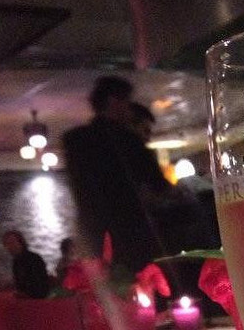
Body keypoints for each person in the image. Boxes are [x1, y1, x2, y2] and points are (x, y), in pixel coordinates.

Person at [62, 75, 199, 282]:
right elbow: (159, 186)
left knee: (107, 289)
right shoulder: (127, 140)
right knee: (140, 284)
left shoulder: (74, 140)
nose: (129, 109)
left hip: (92, 236)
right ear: (114, 101)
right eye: (126, 102)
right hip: (130, 235)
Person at [2, 230, 50, 299]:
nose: (10, 246)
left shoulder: (33, 259)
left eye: (12, 242)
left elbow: (39, 284)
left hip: (36, 298)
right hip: (26, 296)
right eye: (7, 244)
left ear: (21, 243)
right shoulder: (16, 262)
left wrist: (24, 294)